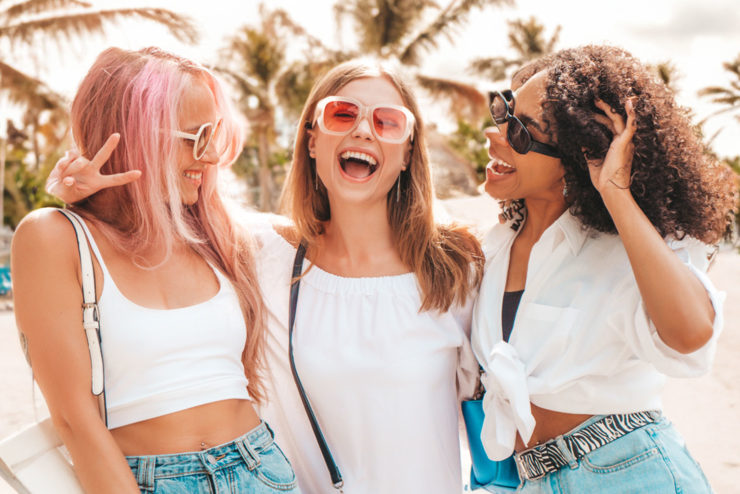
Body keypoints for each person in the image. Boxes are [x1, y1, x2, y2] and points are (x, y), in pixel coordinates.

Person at [47, 59, 485, 493]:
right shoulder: (263, 257)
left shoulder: (455, 271)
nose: (364, 130)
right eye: (342, 113)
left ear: (409, 151)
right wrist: (87, 194)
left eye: (388, 122)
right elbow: (157, 208)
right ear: (311, 141)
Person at [12, 46, 298, 493]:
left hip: (261, 469)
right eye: (195, 137)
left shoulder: (221, 233)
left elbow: (342, 234)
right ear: (131, 134)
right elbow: (75, 420)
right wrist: (84, 197)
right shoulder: (52, 238)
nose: (209, 157)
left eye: (214, 136)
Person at [471, 44, 736, 492]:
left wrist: (615, 192)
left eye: (521, 132)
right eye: (503, 113)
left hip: (628, 472)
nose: (494, 134)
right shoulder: (491, 249)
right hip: (526, 478)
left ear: (576, 158)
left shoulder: (627, 247)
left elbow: (691, 337)